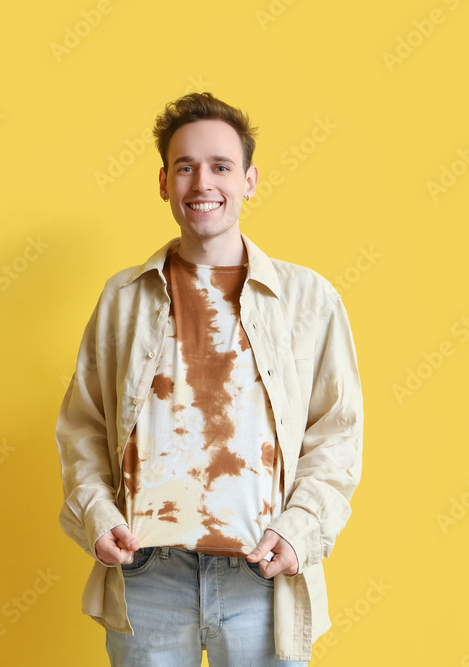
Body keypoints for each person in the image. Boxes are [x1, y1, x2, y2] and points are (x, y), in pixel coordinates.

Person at [55, 91, 364, 665]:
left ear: (249, 180)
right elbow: (82, 427)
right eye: (185, 166)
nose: (203, 183)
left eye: (221, 166)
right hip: (147, 574)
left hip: (262, 574)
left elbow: (337, 435)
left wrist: (301, 528)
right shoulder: (123, 298)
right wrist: (97, 515)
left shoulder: (308, 300)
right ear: (164, 181)